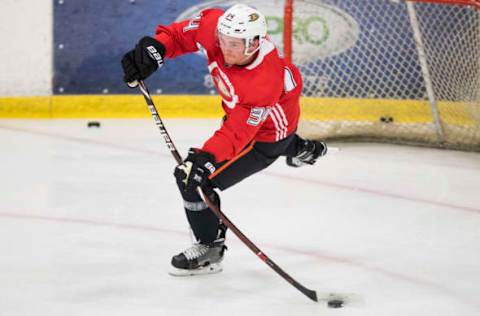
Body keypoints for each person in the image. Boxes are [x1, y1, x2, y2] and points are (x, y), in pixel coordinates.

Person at [121, 4, 327, 276]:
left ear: (255, 43)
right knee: (268, 137)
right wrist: (156, 49)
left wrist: (204, 160)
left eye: (234, 45)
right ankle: (303, 149)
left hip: (263, 138)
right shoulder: (215, 25)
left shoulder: (264, 81)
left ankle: (209, 249)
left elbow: (239, 133)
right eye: (223, 42)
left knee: (192, 180)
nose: (225, 49)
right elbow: (179, 36)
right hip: (258, 121)